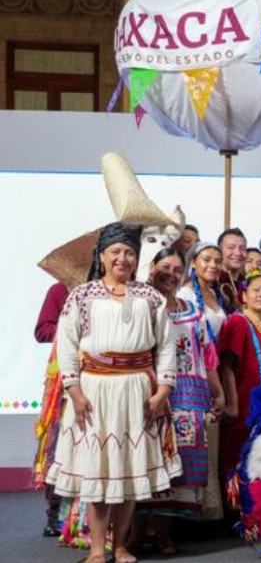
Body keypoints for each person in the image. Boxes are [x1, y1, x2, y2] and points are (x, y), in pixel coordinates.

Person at [45, 222, 181, 563]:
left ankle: (120, 546)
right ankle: (96, 549)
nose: (123, 258)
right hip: (95, 390)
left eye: (129, 252)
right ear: (102, 256)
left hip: (137, 390)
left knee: (129, 471)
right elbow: (67, 344)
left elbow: (167, 345)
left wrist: (162, 391)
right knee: (98, 470)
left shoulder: (150, 297)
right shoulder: (82, 295)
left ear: (137, 258)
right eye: (115, 252)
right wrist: (75, 391)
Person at [138, 248, 224, 553]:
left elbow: (207, 354)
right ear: (152, 268)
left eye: (177, 270)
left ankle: (164, 534)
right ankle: (134, 535)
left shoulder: (192, 310)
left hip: (190, 396)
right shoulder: (141, 306)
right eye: (165, 267)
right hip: (151, 393)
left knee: (179, 466)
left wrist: (218, 391)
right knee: (146, 461)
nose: (171, 275)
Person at [217, 273, 261, 491]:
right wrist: (232, 404)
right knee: (238, 466)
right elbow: (226, 366)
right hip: (244, 407)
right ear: (244, 296)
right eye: (256, 290)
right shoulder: (238, 322)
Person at [33, 280, 71, 537]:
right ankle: (56, 513)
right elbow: (42, 329)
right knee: (59, 446)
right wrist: (73, 329)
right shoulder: (61, 289)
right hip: (64, 381)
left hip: (103, 377)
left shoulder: (117, 289)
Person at [177, 242, 227, 349]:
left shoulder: (213, 293)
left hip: (215, 357)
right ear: (193, 263)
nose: (213, 265)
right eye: (207, 260)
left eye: (218, 261)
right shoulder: (184, 294)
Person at [217, 228, 247, 315]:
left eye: (242, 248)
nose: (238, 253)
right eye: (231, 247)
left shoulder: (247, 283)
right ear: (219, 251)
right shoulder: (213, 282)